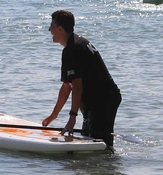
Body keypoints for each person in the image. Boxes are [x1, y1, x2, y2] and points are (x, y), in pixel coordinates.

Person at [41, 10, 121, 149]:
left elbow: (77, 86)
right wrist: (54, 115)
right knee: (89, 142)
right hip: (95, 102)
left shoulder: (73, 49)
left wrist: (72, 118)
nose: (49, 29)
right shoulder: (74, 45)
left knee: (99, 147)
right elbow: (67, 87)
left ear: (60, 29)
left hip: (103, 101)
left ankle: (109, 166)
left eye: (51, 26)